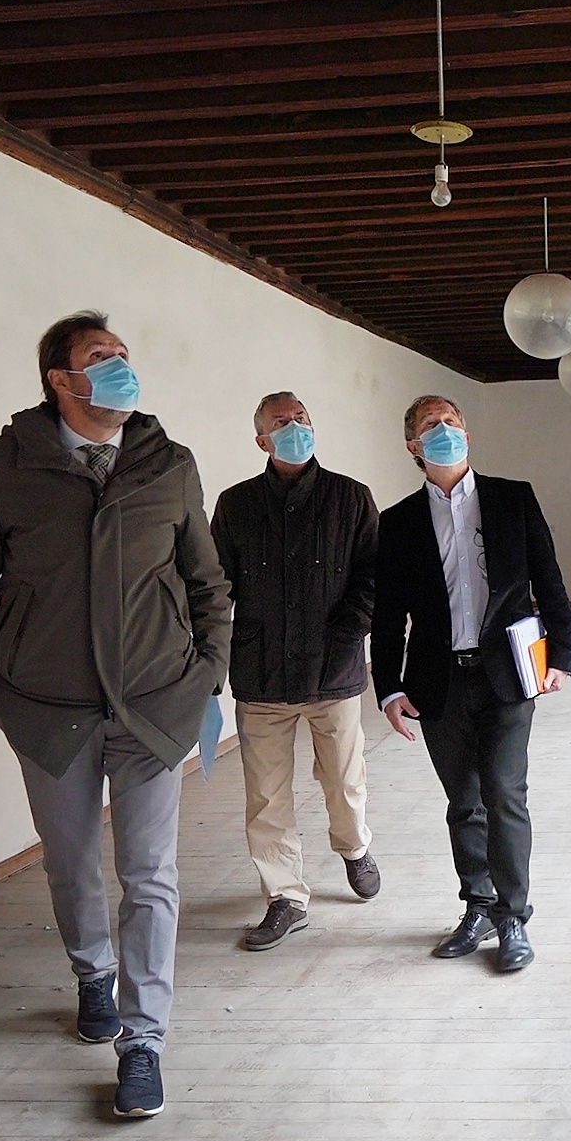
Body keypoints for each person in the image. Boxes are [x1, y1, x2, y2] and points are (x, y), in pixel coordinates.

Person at [0, 312, 230, 1120]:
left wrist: (205, 672)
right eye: (101, 358)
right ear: (60, 380)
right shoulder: (2, 468)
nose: (120, 368)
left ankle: (143, 1041)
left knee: (150, 873)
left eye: (124, 355)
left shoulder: (167, 463)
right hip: (48, 713)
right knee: (70, 864)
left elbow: (206, 581)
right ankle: (93, 973)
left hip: (153, 707)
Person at [373, 395, 571, 972]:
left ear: (466, 433)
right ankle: (478, 906)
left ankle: (513, 917)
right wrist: (388, 686)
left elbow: (548, 578)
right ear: (413, 445)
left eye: (452, 421)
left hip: (508, 672)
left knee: (504, 794)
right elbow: (387, 613)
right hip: (437, 681)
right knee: (463, 801)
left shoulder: (513, 498)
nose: (444, 430)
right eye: (431, 425)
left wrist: (562, 655)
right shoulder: (399, 521)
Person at [209, 392, 382, 952]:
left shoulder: (350, 498)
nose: (295, 426)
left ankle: (355, 847)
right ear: (261, 439)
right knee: (266, 795)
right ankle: (285, 896)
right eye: (281, 422)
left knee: (343, 781)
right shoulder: (236, 504)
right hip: (261, 674)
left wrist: (348, 632)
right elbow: (215, 586)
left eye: (302, 417)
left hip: (333, 670)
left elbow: (372, 575)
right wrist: (208, 656)